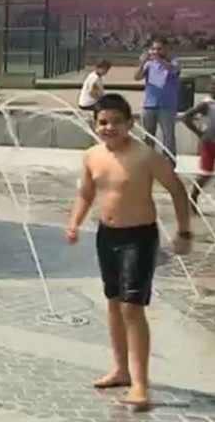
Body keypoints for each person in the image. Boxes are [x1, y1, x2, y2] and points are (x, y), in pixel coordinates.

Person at [65, 93, 192, 412]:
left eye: (116, 121)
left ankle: (140, 385)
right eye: (103, 122)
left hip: (139, 238)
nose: (109, 128)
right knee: (113, 304)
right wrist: (75, 222)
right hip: (107, 237)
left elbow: (177, 190)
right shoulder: (92, 156)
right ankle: (120, 369)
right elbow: (86, 192)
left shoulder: (145, 156)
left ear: (130, 123)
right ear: (95, 125)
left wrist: (184, 231)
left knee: (132, 309)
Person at [134, 40, 180, 162]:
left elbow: (173, 69)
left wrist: (158, 59)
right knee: (147, 136)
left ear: (165, 49)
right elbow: (137, 77)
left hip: (166, 106)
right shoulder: (149, 64)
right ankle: (147, 162)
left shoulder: (174, 61)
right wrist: (143, 62)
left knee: (168, 137)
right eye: (154, 49)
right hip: (149, 105)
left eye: (159, 49)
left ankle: (169, 162)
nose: (156, 52)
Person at [182, 78, 215, 210]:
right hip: (209, 143)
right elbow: (186, 117)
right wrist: (199, 133)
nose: (213, 87)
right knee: (205, 175)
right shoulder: (206, 104)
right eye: (212, 85)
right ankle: (193, 196)